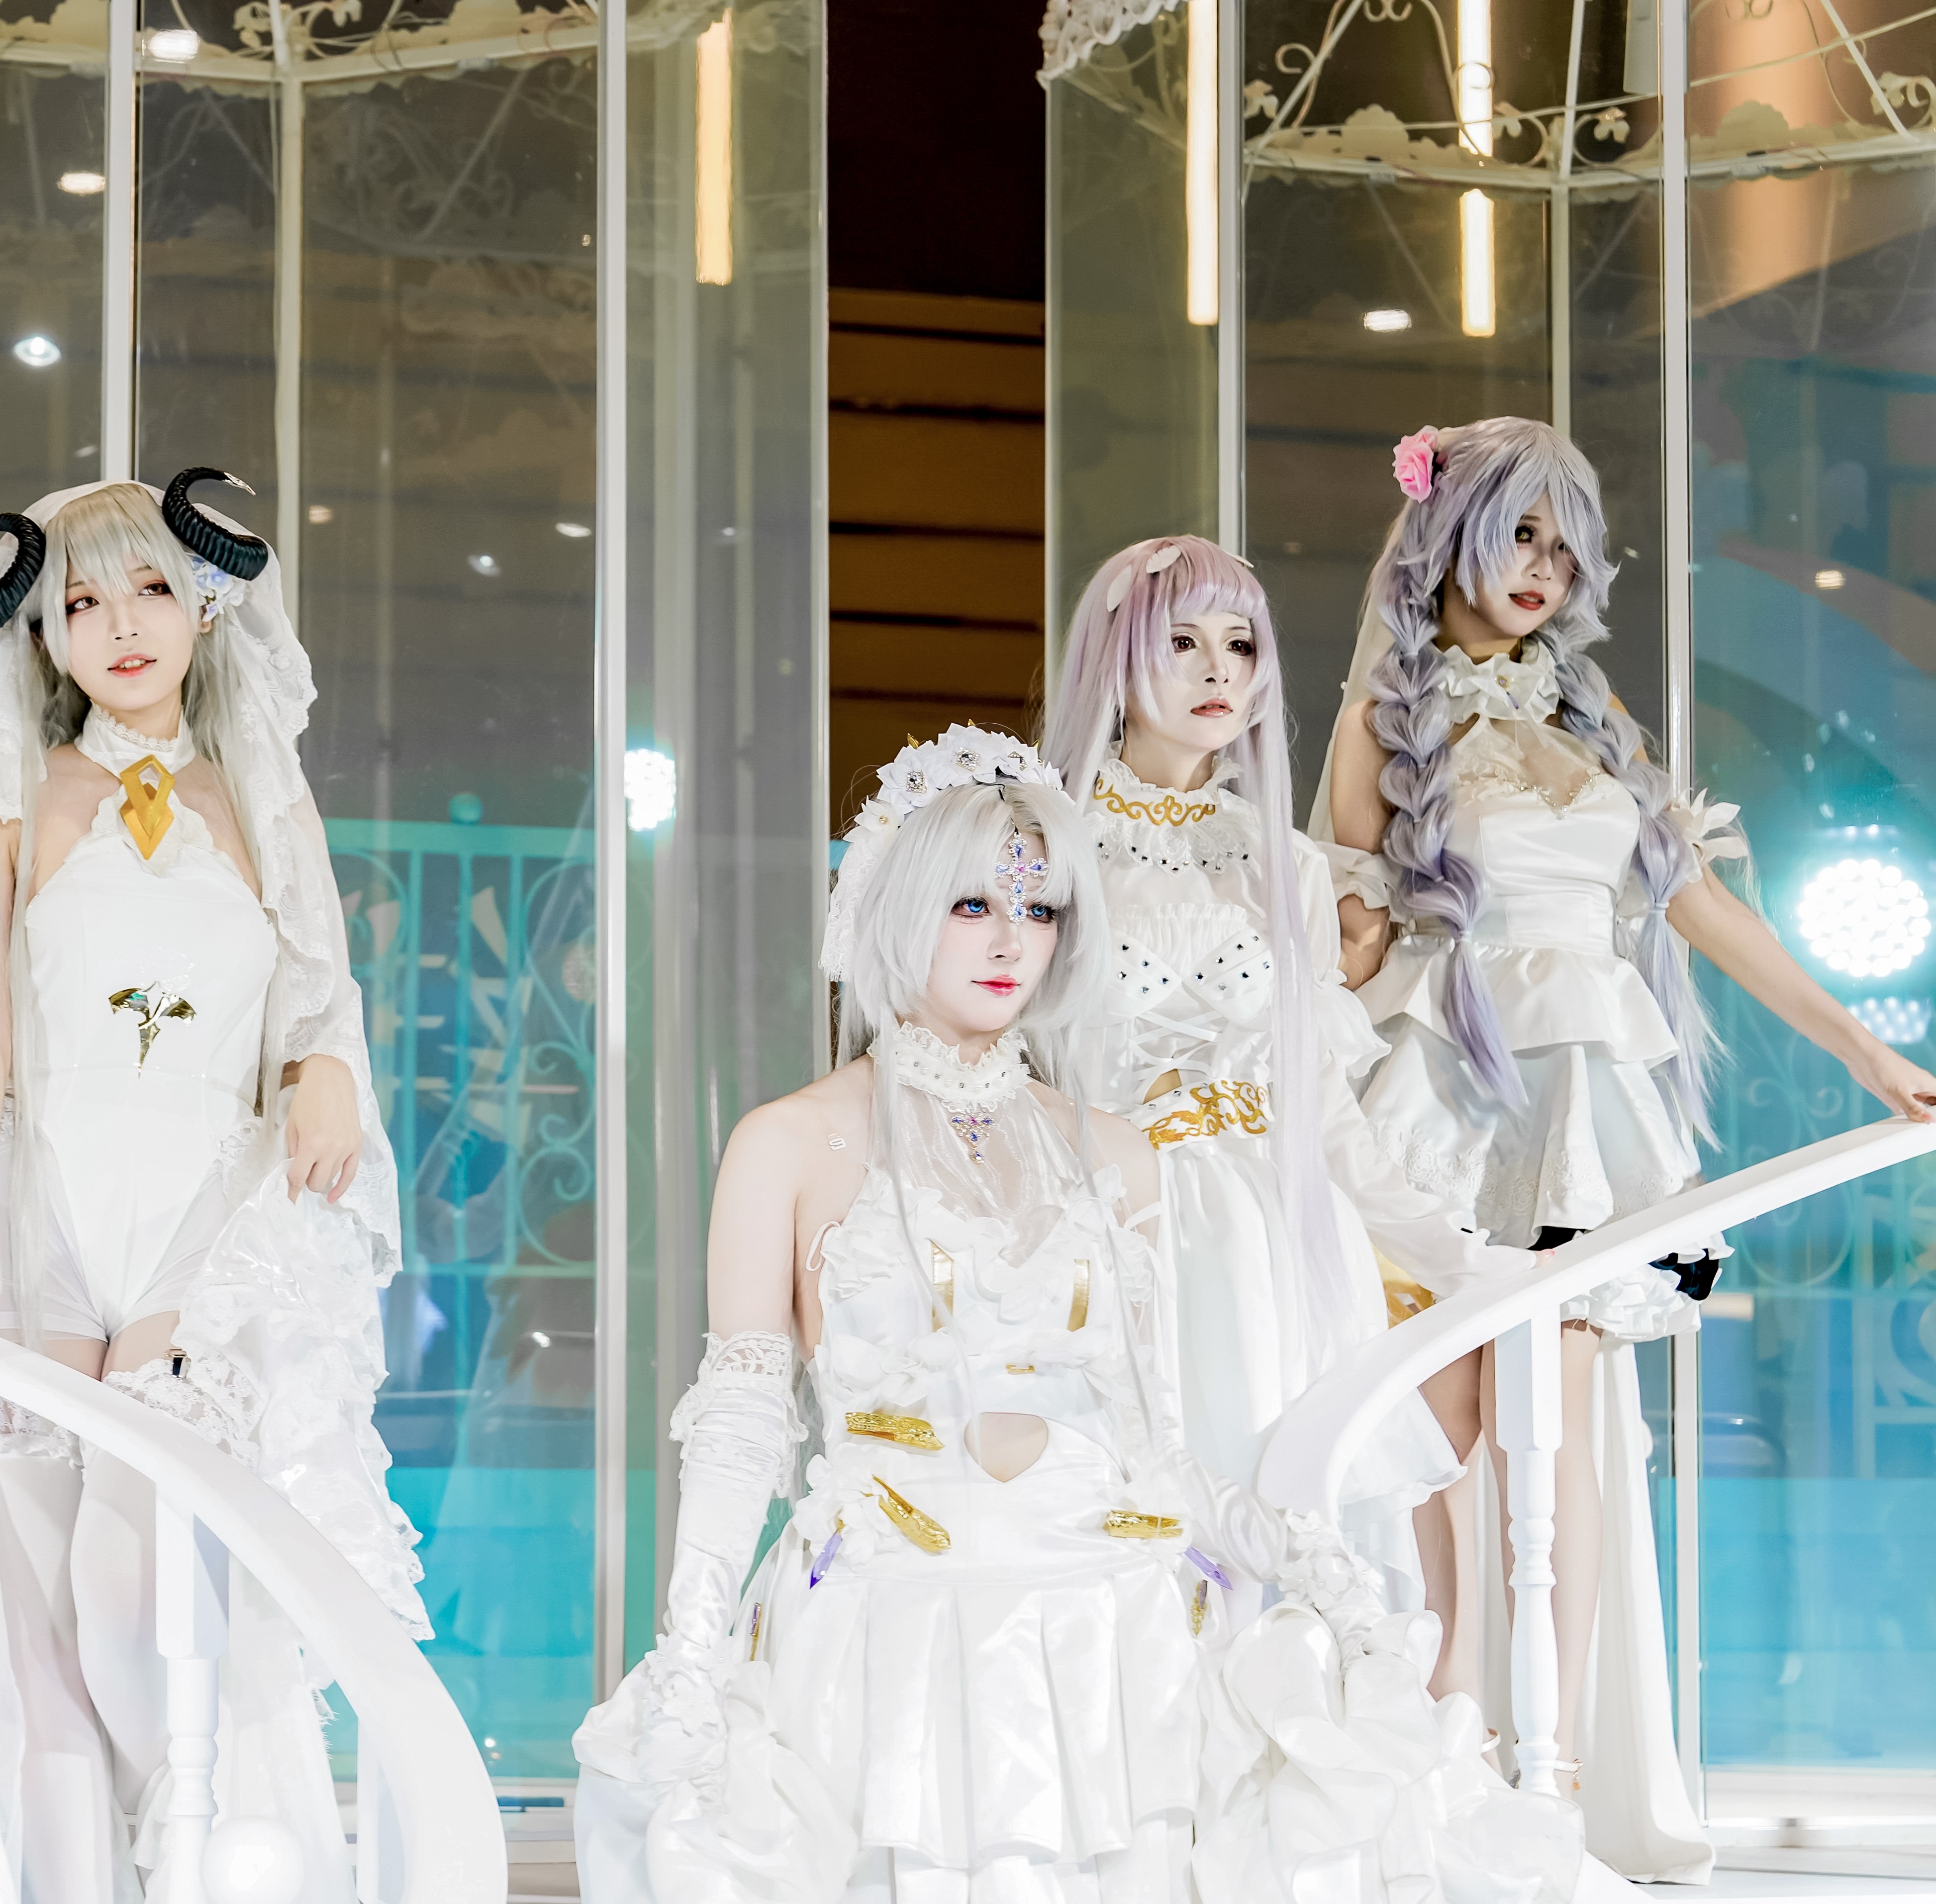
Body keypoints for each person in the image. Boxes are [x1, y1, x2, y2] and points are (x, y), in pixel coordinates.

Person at [573, 728, 1583, 1903]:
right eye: (972, 904)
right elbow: (742, 1421)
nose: (1011, 939)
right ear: (893, 907)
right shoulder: (786, 1143)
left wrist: (1311, 1562)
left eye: (1040, 908)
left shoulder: (1112, 1151)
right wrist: (691, 1646)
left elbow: (1150, 1444)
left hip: (1112, 1619)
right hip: (888, 1618)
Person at [0, 473, 425, 1903]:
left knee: (130, 1596)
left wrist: (324, 1068)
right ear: (43, 634)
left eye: (149, 590)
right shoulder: (16, 796)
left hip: (202, 1237)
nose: (119, 624)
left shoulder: (258, 796)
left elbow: (317, 991)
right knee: (34, 1653)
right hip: (37, 1226)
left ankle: (196, 1841)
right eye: (80, 600)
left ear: (205, 608)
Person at [1314, 415, 1936, 1879]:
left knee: (1575, 1423)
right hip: (1451, 1090)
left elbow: (1701, 911)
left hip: (1592, 1109)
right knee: (1452, 1431)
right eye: (1517, 531)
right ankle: (1450, 1741)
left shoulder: (1596, 725)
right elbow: (1345, 943)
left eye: (1563, 540)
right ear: (1450, 535)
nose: (1544, 566)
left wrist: (1860, 1050)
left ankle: (1560, 1772)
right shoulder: (1382, 719)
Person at [1039, 534, 1530, 1620]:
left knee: (1286, 1539)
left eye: (1240, 644)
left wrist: (1450, 1254)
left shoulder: (1285, 864)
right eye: (1180, 642)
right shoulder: (1048, 847)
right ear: (1116, 660)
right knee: (1131, 1538)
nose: (1219, 670)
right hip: (1113, 1227)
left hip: (1278, 1242)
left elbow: (1319, 1110)